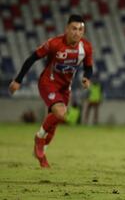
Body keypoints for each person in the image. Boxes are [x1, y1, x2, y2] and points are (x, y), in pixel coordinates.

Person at [8, 14, 93, 168]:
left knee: (54, 124)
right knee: (61, 113)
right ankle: (38, 138)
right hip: (48, 83)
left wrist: (87, 78)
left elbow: (89, 67)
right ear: (67, 29)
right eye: (74, 29)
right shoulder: (54, 43)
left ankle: (42, 156)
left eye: (80, 29)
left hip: (65, 88)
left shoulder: (85, 47)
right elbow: (32, 58)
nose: (77, 32)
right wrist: (18, 80)